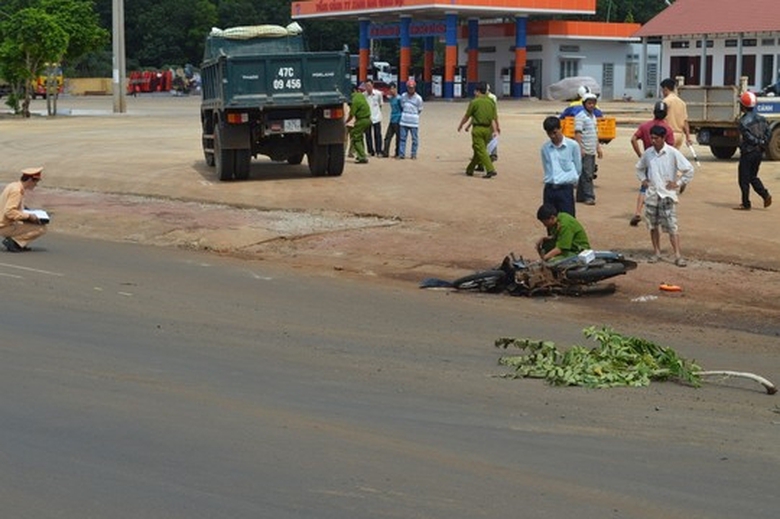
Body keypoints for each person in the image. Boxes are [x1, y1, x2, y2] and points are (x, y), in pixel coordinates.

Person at [635, 125, 694, 267]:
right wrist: (643, 180)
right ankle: (656, 253)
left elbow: (689, 170)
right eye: (652, 138)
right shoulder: (648, 153)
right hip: (652, 194)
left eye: (656, 138)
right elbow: (639, 168)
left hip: (667, 195)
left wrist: (678, 183)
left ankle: (678, 255)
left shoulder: (672, 153)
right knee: (653, 225)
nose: (653, 141)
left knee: (672, 226)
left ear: (663, 138)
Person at [629, 101, 675, 226]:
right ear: (666, 114)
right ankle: (662, 214)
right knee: (662, 188)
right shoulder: (667, 129)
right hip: (662, 163)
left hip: (648, 160)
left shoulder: (645, 126)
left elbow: (633, 139)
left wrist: (640, 155)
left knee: (644, 186)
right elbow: (671, 148)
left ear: (654, 112)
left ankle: (638, 212)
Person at [734, 91, 772, 210]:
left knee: (743, 179)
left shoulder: (743, 122)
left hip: (748, 152)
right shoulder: (762, 119)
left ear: (743, 106)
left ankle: (746, 203)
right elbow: (769, 132)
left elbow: (748, 137)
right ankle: (765, 194)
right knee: (753, 176)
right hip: (758, 153)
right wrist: (763, 142)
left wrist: (757, 141)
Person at [540, 116, 581, 217]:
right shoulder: (545, 148)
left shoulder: (572, 145)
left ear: (560, 128)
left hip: (565, 189)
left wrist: (573, 179)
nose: (552, 136)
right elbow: (546, 167)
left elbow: (578, 166)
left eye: (554, 132)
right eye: (549, 134)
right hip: (550, 189)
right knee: (550, 219)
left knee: (567, 219)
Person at [457, 82, 499, 179]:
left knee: (481, 150)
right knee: (478, 150)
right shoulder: (491, 102)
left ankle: (490, 169)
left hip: (478, 129)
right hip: (488, 129)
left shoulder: (474, 102)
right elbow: (493, 118)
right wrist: (495, 130)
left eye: (475, 90)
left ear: (478, 91)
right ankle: (470, 169)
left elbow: (467, 116)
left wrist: (461, 125)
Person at [1, 167, 48, 252]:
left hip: (5, 222)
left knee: (32, 222)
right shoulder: (17, 191)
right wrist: (29, 216)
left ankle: (19, 242)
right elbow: (9, 212)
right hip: (4, 225)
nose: (36, 185)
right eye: (36, 182)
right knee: (41, 228)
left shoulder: (14, 186)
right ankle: (15, 242)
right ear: (30, 180)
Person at [574, 92, 601, 204]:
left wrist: (598, 148)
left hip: (591, 149)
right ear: (584, 104)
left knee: (584, 173)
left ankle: (580, 196)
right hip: (584, 149)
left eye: (593, 103)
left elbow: (595, 133)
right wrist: (580, 148)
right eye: (589, 103)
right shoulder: (580, 116)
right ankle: (589, 197)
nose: (591, 105)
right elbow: (577, 133)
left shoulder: (593, 117)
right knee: (588, 174)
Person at [660, 78, 692, 149]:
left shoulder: (665, 102)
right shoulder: (682, 103)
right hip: (679, 135)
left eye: (662, 90)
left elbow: (660, 119)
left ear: (665, 89)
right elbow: (685, 122)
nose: (662, 92)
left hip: (669, 134)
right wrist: (688, 137)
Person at [344, 84, 371, 164]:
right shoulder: (360, 96)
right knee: (359, 137)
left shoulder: (353, 100)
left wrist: (346, 122)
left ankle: (362, 156)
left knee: (355, 137)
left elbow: (352, 114)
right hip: (368, 119)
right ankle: (360, 155)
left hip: (361, 120)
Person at [398, 79, 424, 160]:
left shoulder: (418, 98)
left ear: (415, 88)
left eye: (412, 88)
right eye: (409, 87)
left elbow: (420, 109)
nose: (410, 89)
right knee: (402, 139)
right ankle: (401, 154)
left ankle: (413, 154)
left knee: (415, 139)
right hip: (404, 121)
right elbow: (402, 106)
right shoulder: (403, 96)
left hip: (414, 122)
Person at [362, 79, 383, 157]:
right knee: (368, 135)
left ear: (372, 85)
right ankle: (370, 151)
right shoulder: (363, 95)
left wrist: (378, 113)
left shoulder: (378, 94)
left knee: (377, 135)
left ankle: (379, 151)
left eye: (369, 85)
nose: (368, 87)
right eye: (366, 86)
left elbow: (380, 105)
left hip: (376, 117)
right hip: (367, 117)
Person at [382, 82, 401, 158]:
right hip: (392, 120)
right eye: (390, 89)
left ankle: (397, 153)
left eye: (392, 89)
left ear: (395, 88)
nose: (391, 90)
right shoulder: (391, 99)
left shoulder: (399, 99)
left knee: (398, 138)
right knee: (387, 137)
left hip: (398, 120)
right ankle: (385, 153)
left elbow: (402, 108)